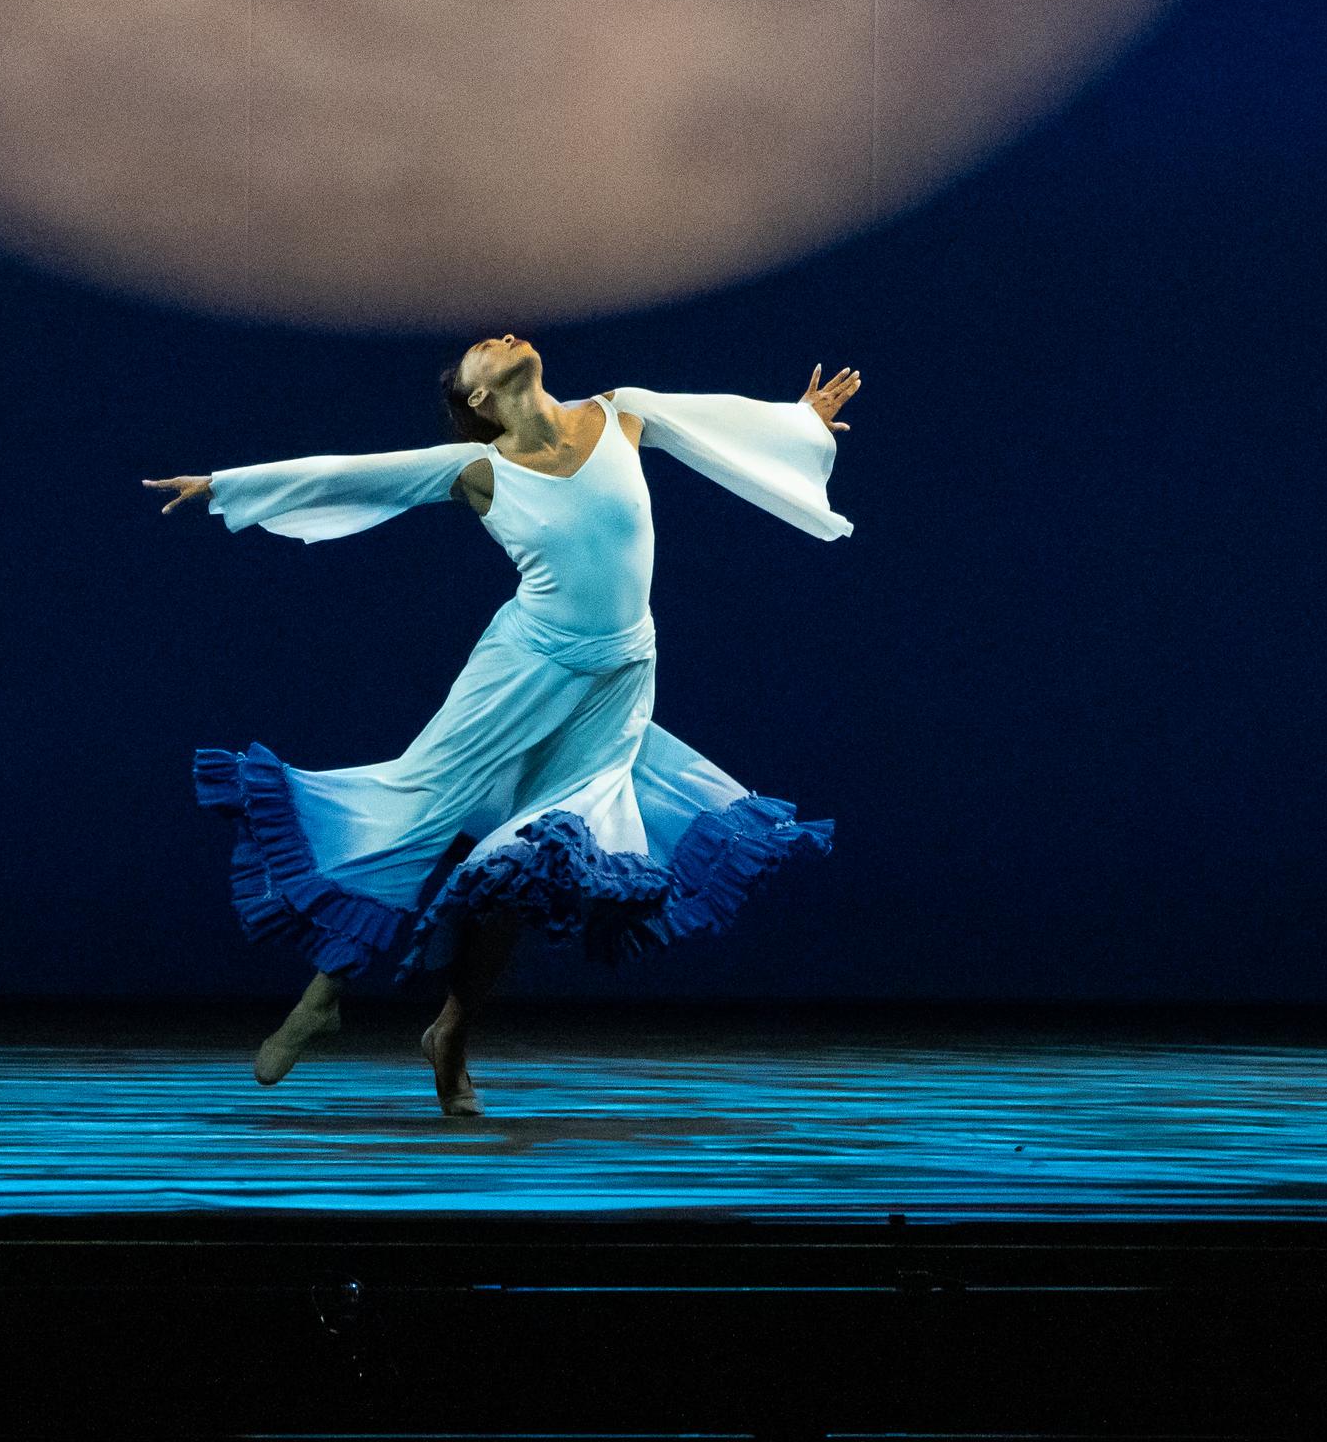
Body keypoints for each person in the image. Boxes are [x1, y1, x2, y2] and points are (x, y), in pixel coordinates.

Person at [146, 336, 859, 1118]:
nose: (503, 338)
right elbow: (352, 472)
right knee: (423, 808)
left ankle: (450, 1034)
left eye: (504, 337)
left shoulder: (620, 413)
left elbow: (719, 425)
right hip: (523, 670)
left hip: (617, 681)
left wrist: (803, 423)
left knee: (531, 853)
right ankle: (323, 995)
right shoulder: (481, 470)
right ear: (479, 399)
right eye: (484, 350)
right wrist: (224, 487)